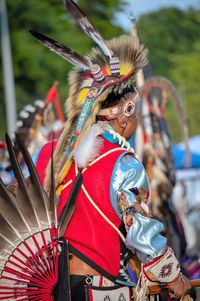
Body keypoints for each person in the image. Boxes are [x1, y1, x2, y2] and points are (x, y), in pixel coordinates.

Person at [32, 1, 192, 300]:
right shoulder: (123, 163)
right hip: (103, 289)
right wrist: (174, 276)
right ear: (124, 113)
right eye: (136, 111)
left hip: (49, 287)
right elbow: (142, 234)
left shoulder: (48, 154)